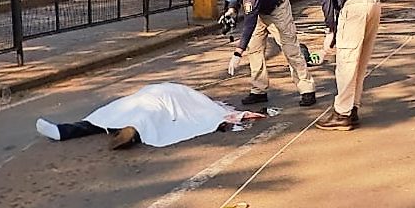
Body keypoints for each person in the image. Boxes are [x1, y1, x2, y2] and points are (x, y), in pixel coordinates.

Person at [35, 83, 269, 149]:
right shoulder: (198, 100)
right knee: (144, 117)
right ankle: (133, 131)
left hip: (146, 97)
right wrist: (227, 116)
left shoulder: (185, 93)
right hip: (157, 100)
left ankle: (64, 131)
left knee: (110, 114)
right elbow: (206, 113)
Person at [294, 0, 380, 131]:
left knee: (346, 62)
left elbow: (326, 1)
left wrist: (329, 30)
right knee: (360, 62)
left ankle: (342, 114)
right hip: (373, 4)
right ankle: (352, 108)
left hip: (355, 7)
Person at [220, 0, 316, 106]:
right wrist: (231, 10)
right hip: (261, 11)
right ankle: (259, 90)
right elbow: (237, 0)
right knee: (254, 48)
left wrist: (237, 53)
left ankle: (307, 90)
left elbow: (249, 25)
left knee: (290, 49)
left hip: (278, 10)